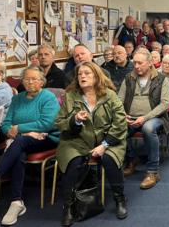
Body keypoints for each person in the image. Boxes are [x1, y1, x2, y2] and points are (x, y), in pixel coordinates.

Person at [0, 66, 60, 226]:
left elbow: (47, 124)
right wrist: (20, 133)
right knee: (19, 152)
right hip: (23, 140)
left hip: (48, 138)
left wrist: (18, 129)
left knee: (20, 143)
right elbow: (5, 123)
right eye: (26, 79)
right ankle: (16, 203)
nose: (30, 82)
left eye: (34, 79)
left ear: (41, 82)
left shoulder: (48, 97)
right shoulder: (17, 99)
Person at [55, 61, 128, 225]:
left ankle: (120, 198)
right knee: (73, 162)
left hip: (108, 140)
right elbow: (60, 123)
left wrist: (104, 145)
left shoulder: (109, 95)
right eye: (80, 74)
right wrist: (75, 120)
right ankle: (68, 206)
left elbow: (120, 122)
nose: (82, 76)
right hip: (76, 140)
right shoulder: (71, 96)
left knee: (110, 160)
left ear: (96, 76)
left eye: (87, 73)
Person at [119, 48, 169, 189]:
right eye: (134, 63)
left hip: (155, 118)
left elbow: (165, 104)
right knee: (117, 128)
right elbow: (118, 100)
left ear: (149, 63)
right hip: (131, 118)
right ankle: (132, 160)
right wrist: (123, 114)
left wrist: (145, 117)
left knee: (148, 128)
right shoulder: (129, 78)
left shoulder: (161, 79)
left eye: (140, 63)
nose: (136, 66)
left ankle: (153, 172)